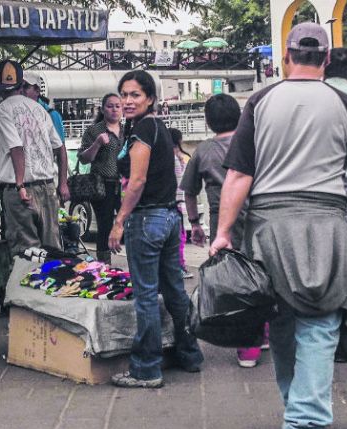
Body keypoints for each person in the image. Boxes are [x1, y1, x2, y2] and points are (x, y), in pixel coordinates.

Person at [209, 23, 347, 429]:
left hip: (268, 226)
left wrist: (223, 231)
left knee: (285, 323)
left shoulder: (261, 100)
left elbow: (238, 176)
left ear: (286, 57)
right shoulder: (343, 102)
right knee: (319, 325)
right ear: (326, 59)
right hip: (327, 224)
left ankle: (301, 425)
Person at [108, 70, 204, 388]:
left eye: (135, 94)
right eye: (124, 94)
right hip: (169, 218)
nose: (128, 100)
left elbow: (136, 181)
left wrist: (119, 221)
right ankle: (189, 353)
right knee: (174, 290)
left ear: (150, 98)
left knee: (147, 296)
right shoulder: (156, 126)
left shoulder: (144, 130)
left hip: (148, 220)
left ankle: (146, 368)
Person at [180, 93, 269, 368]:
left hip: (224, 222)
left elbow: (190, 191)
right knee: (261, 273)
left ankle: (248, 348)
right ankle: (263, 333)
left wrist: (194, 223)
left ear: (208, 122)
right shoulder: (255, 144)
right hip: (259, 216)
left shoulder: (203, 151)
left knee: (236, 283)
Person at [0, 59, 70, 256]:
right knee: (52, 251)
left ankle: (26, 287)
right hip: (48, 187)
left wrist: (19, 185)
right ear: (21, 84)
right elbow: (60, 148)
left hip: (21, 190)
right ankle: (55, 285)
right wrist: (62, 183)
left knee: (27, 253)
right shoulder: (39, 109)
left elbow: (16, 147)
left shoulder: (0, 111)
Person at [78, 93, 124, 264]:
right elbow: (83, 158)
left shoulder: (128, 130)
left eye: (117, 106)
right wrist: (96, 144)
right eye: (110, 106)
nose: (114, 109)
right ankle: (105, 266)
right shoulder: (95, 131)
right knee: (104, 226)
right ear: (103, 109)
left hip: (124, 185)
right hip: (103, 185)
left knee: (130, 221)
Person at [168, 128, 193, 279]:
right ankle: (179, 266)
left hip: (174, 202)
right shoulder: (177, 158)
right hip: (177, 202)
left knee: (178, 237)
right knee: (179, 238)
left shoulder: (173, 157)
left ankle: (178, 265)